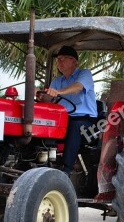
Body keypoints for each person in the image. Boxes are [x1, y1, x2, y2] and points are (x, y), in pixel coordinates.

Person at [40, 45, 97, 174]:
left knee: (75, 126)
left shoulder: (84, 74)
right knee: (44, 124)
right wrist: (43, 97)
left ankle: (66, 169)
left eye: (63, 59)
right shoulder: (57, 81)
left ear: (74, 61)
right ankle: (41, 160)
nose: (59, 62)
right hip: (64, 119)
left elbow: (77, 87)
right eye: (58, 59)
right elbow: (50, 98)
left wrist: (59, 92)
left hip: (87, 121)